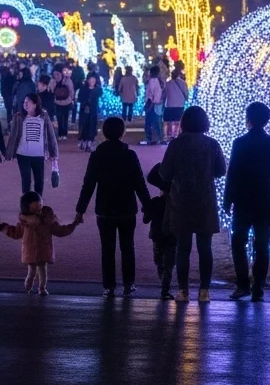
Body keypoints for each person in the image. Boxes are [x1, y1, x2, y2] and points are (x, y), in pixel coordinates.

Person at [75, 117, 152, 297]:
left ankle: (109, 286)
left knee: (107, 248)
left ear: (104, 133)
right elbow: (139, 183)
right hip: (126, 208)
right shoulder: (129, 155)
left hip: (105, 208)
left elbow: (89, 184)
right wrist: (148, 206)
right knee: (127, 246)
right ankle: (129, 283)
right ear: (122, 132)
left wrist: (80, 209)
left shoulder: (97, 155)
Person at [159, 106, 227, 303]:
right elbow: (221, 170)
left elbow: (165, 173)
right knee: (205, 247)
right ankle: (204, 291)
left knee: (183, 248)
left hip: (181, 200)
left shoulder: (176, 145)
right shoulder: (212, 144)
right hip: (205, 201)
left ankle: (183, 291)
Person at [223, 102, 270, 302]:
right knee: (261, 245)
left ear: (248, 119)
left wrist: (227, 199)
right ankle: (258, 287)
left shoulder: (240, 143)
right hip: (266, 200)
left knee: (238, 243)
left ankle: (242, 285)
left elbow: (232, 173)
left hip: (243, 199)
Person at [0, 191, 81, 295]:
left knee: (33, 272)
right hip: (43, 250)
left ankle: (31, 289)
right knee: (40, 271)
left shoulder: (26, 221)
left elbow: (15, 233)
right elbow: (60, 231)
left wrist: (1, 226)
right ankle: (40, 289)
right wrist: (74, 225)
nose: (39, 208)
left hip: (30, 250)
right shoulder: (47, 219)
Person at [9, 93, 58, 195]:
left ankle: (38, 203)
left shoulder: (44, 116)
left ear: (35, 104)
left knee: (39, 182)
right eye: (24, 102)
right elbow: (13, 135)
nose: (25, 104)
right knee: (26, 180)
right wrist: (11, 152)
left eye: (28, 102)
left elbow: (50, 135)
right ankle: (25, 204)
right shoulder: (18, 116)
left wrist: (53, 153)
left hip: (38, 155)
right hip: (22, 154)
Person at [142, 163, 177, 299]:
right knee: (168, 265)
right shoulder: (177, 205)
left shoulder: (155, 202)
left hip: (157, 237)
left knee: (159, 263)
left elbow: (145, 219)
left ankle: (164, 286)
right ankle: (165, 289)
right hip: (172, 237)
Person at [76, 73, 104, 151]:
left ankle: (90, 142)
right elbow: (79, 98)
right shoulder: (83, 88)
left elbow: (100, 96)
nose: (92, 81)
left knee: (92, 126)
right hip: (84, 110)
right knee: (83, 125)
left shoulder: (98, 89)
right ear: (87, 80)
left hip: (93, 111)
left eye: (93, 80)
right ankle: (83, 141)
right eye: (90, 80)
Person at [163, 67, 190, 142]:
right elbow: (186, 94)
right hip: (179, 105)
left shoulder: (168, 83)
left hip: (169, 105)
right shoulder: (183, 83)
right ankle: (176, 136)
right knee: (177, 121)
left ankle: (168, 136)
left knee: (169, 122)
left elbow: (164, 94)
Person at [142, 65, 164, 145]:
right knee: (155, 122)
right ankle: (156, 138)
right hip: (154, 104)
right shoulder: (155, 81)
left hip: (153, 104)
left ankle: (151, 138)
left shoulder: (153, 81)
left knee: (151, 122)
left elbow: (151, 94)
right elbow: (153, 94)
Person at [51, 67, 75, 140]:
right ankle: (60, 133)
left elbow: (71, 91)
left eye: (57, 74)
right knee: (59, 118)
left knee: (65, 118)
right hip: (58, 102)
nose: (56, 76)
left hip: (66, 102)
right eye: (55, 74)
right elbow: (51, 91)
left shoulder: (67, 80)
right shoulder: (53, 81)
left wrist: (71, 99)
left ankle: (64, 133)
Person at [69, 60, 87, 125]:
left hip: (74, 88)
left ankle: (73, 120)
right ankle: (80, 119)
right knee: (81, 105)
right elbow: (83, 78)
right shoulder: (80, 71)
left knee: (74, 105)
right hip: (79, 88)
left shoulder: (73, 72)